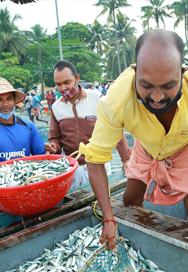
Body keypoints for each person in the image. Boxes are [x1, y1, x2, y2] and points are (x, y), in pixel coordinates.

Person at [79, 29, 188, 251]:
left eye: (168, 85)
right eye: (146, 85)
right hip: (146, 146)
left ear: (183, 72)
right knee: (129, 202)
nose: (157, 98)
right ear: (135, 71)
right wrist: (109, 219)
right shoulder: (116, 101)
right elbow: (95, 158)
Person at [46, 61, 131, 189]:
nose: (63, 88)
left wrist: (126, 159)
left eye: (67, 82)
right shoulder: (56, 108)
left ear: (77, 78)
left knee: (101, 203)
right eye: (58, 84)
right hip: (71, 171)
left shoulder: (97, 99)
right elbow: (55, 138)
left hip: (99, 167)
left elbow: (114, 129)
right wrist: (54, 146)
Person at [0, 77, 46, 183]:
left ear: (15, 100)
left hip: (28, 183)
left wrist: (52, 149)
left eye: (9, 98)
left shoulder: (29, 126)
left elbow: (42, 158)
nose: (5, 104)